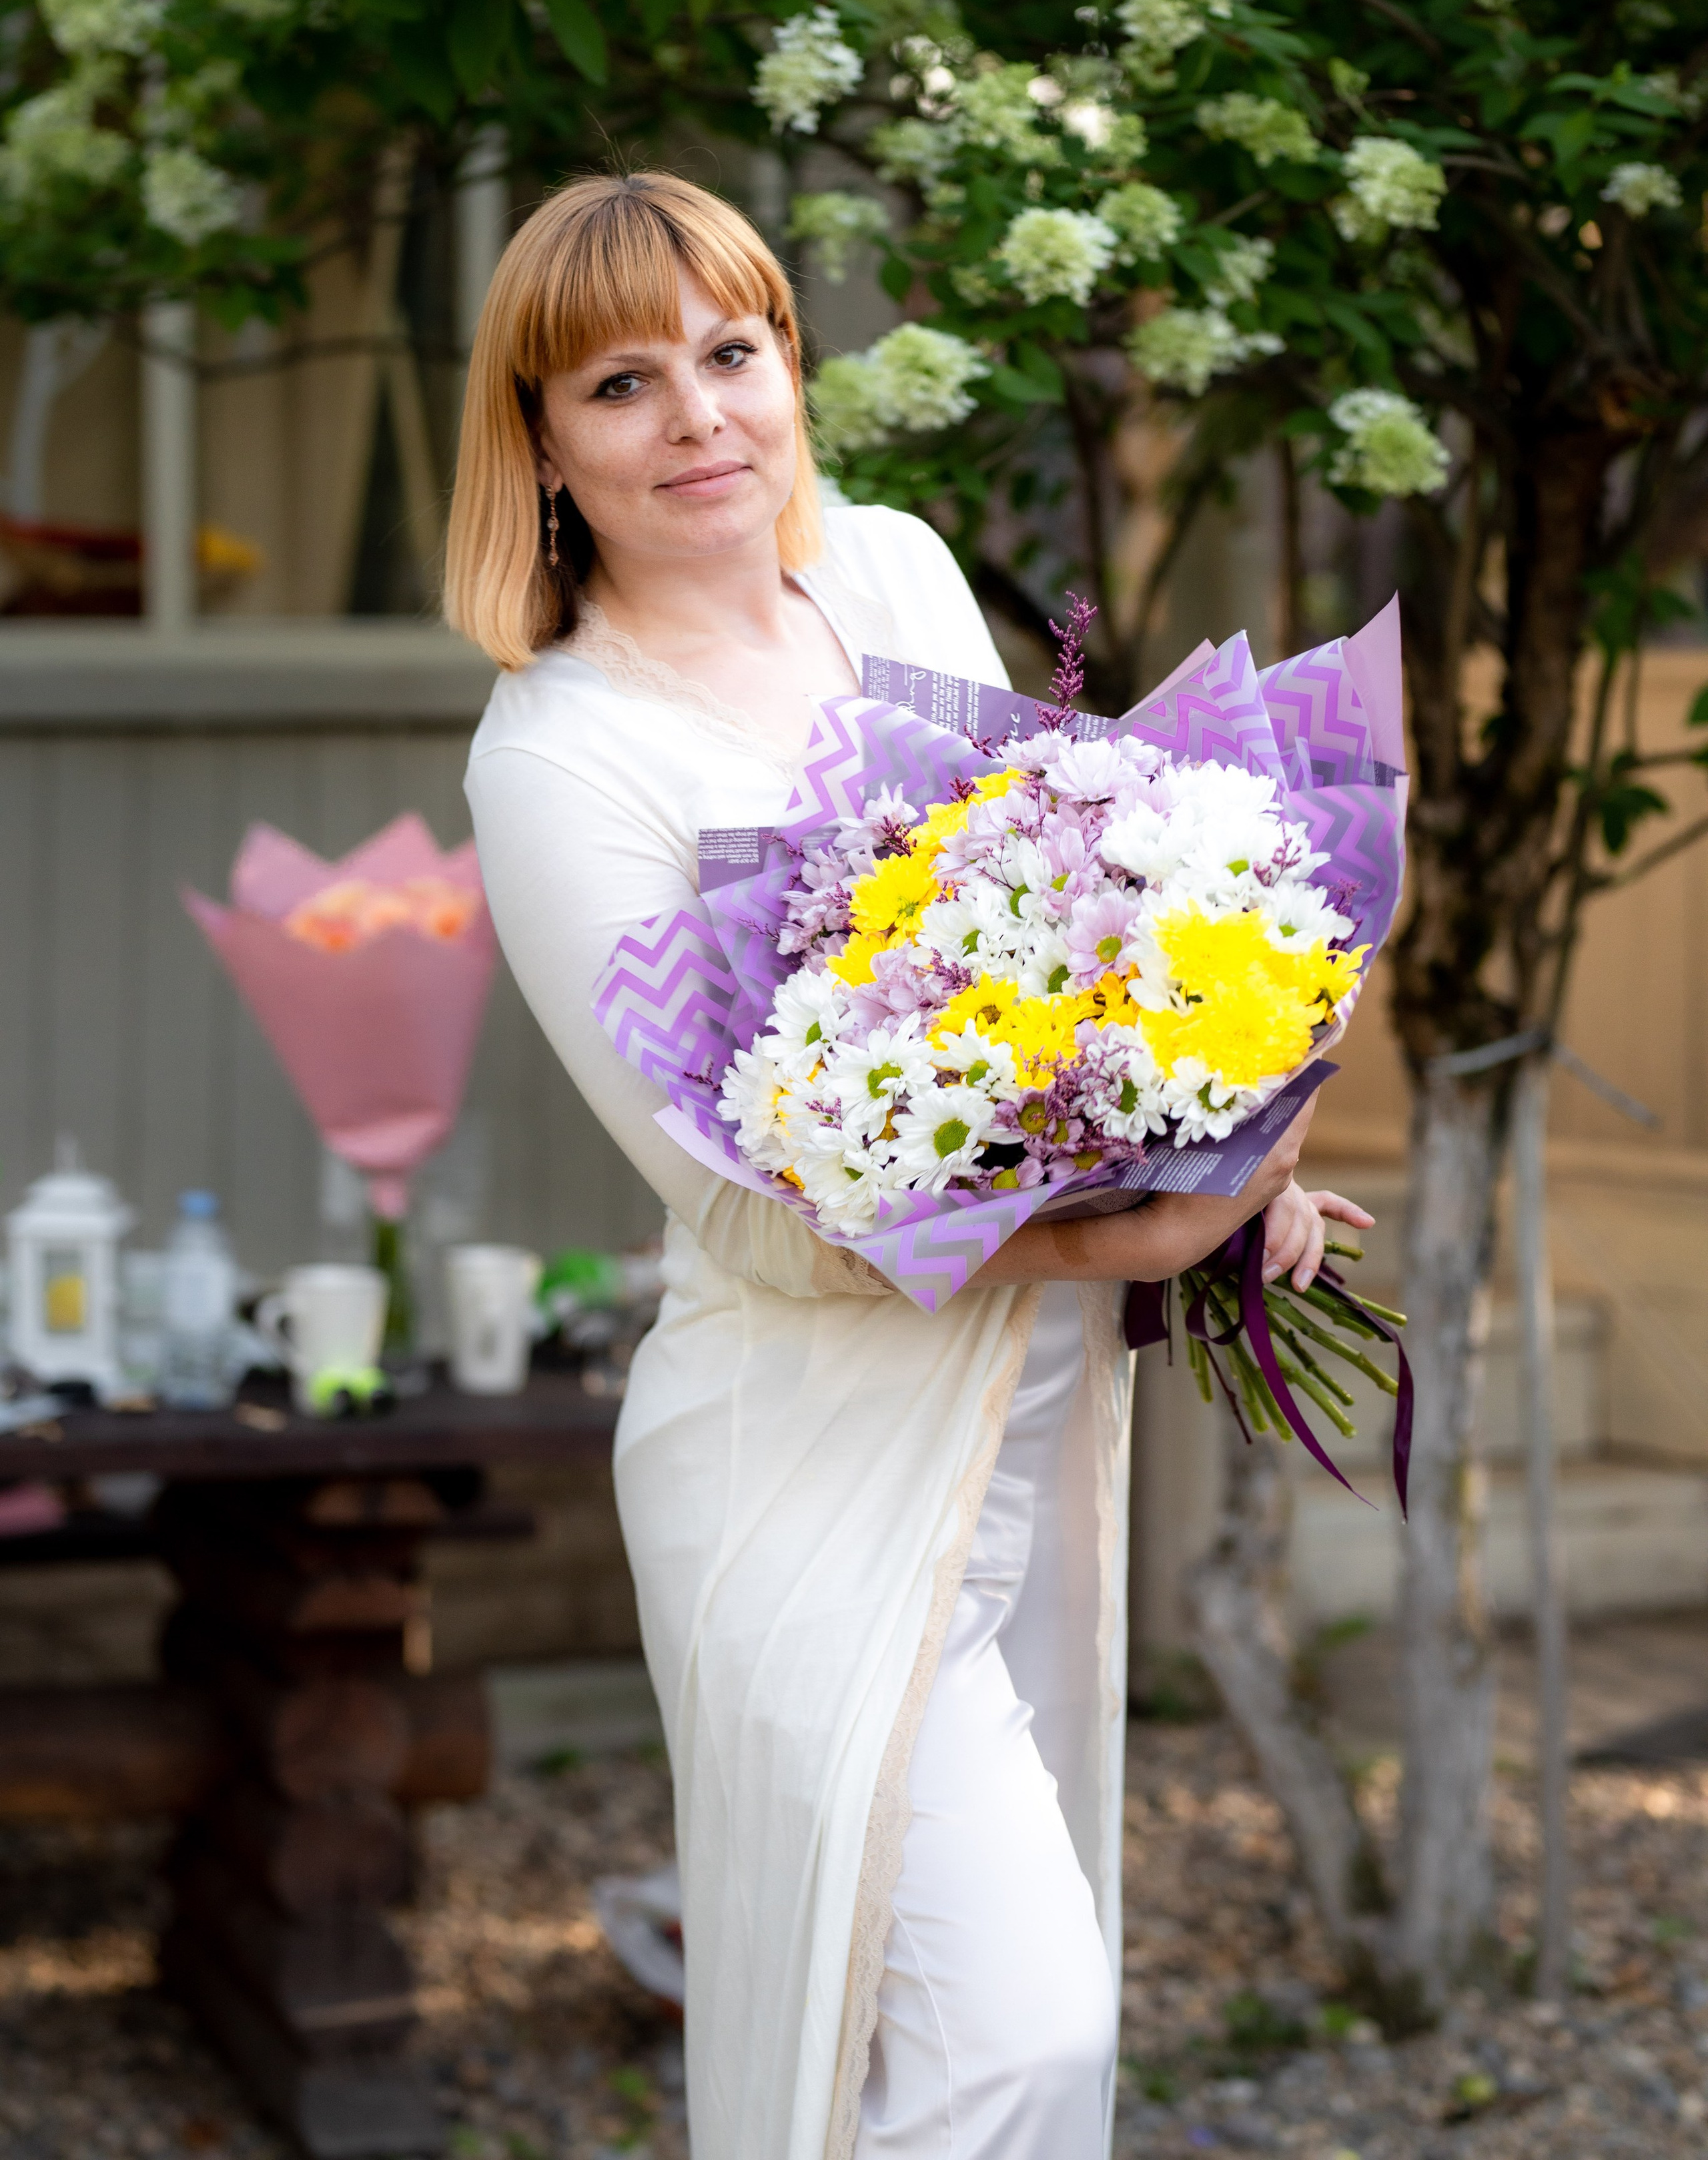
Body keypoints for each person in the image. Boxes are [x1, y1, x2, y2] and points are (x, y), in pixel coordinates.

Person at [446, 170, 1372, 2160]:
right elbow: (737, 1197)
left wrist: (1215, 1134)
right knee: (1012, 2039)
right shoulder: (557, 759)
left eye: (733, 350)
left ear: (790, 365)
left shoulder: (884, 569)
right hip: (799, 1465)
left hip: (1024, 1434)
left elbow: (1067, 921)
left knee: (937, 2044)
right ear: (537, 439)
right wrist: (1150, 1232)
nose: (698, 416)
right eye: (621, 383)